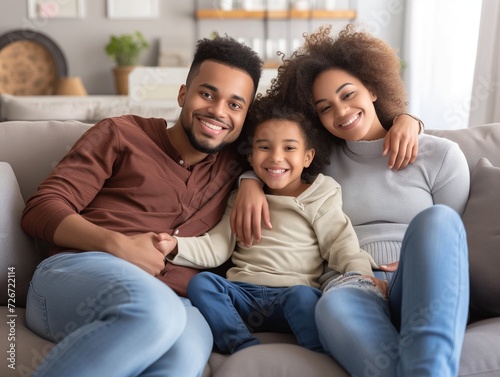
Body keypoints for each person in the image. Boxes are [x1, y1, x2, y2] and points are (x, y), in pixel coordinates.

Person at [232, 24, 470, 376]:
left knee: (437, 220)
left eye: (348, 94)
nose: (342, 112)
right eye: (325, 107)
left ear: (373, 88)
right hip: (353, 282)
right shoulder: (319, 165)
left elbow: (452, 244)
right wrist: (249, 179)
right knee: (331, 304)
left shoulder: (441, 156)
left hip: (418, 281)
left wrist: (408, 118)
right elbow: (271, 146)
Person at [20, 35, 262, 377]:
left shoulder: (236, 167)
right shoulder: (122, 134)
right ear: (183, 94)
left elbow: (292, 138)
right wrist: (117, 245)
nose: (218, 111)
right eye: (207, 94)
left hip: (177, 300)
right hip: (75, 276)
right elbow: (41, 208)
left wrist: (250, 178)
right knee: (158, 312)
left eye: (235, 105)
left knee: (187, 350)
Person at [155, 96, 381, 355]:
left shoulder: (320, 193)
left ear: (307, 157)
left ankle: (316, 354)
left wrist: (364, 276)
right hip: (242, 294)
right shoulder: (239, 198)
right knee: (203, 284)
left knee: (306, 299)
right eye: (264, 147)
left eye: (289, 148)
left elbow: (341, 244)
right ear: (250, 157)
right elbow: (217, 247)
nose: (276, 158)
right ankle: (241, 345)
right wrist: (175, 245)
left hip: (293, 293)